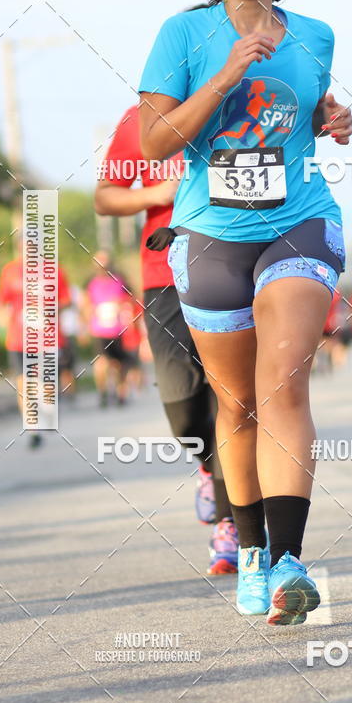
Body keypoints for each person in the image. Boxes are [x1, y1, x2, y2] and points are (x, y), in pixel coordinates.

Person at [138, 0, 352, 624]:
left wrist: (332, 118)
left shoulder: (316, 35)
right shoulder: (183, 35)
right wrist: (225, 71)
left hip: (299, 220)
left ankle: (292, 563)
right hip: (210, 233)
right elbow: (156, 142)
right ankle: (254, 553)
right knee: (236, 403)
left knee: (283, 382)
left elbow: (303, 111)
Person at [94, 106, 237, 575]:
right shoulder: (141, 120)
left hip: (233, 261)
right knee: (183, 411)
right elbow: (106, 197)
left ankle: (230, 523)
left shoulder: (236, 104)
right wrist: (156, 192)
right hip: (163, 273)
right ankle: (206, 467)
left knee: (231, 396)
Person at [0, 240, 71, 447]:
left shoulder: (54, 270)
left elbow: (66, 300)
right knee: (24, 381)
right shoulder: (10, 271)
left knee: (46, 384)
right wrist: (3, 316)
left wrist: (49, 312)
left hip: (48, 336)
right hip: (19, 338)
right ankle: (32, 428)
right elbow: (2, 300)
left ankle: (48, 411)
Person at [81, 251, 131, 407]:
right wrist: (86, 323)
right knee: (101, 362)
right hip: (99, 330)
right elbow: (85, 305)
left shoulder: (120, 280)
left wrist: (121, 306)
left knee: (118, 364)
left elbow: (130, 300)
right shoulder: (90, 283)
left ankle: (120, 393)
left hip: (118, 329)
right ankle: (102, 392)